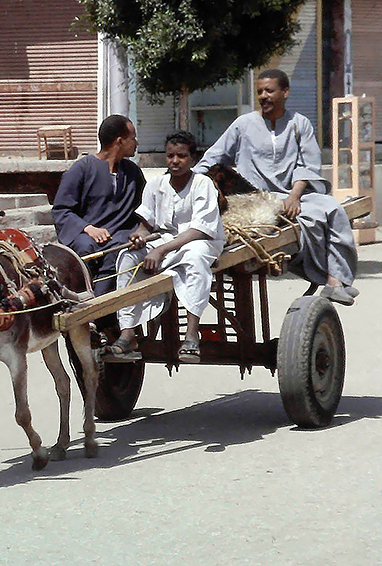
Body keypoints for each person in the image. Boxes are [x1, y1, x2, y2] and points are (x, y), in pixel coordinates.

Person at [194, 68, 358, 305]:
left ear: (285, 92)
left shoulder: (299, 124)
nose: (263, 96)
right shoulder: (243, 124)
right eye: (260, 91)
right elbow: (213, 157)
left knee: (331, 208)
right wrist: (191, 181)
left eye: (269, 91)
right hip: (255, 198)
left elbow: (308, 165)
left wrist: (295, 196)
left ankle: (335, 281)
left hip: (294, 194)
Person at [109, 131, 225, 362]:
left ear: (193, 158)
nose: (175, 161)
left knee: (195, 258)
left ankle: (191, 334)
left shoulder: (202, 184)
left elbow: (200, 229)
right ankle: (128, 332)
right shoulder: (155, 184)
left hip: (199, 241)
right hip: (164, 241)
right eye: (170, 156)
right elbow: (146, 225)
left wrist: (160, 250)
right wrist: (139, 236)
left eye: (181, 156)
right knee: (126, 257)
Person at [52, 114, 146, 297]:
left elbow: (144, 208)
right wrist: (88, 228)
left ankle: (102, 305)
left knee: (120, 249)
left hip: (119, 235)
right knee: (85, 247)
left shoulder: (133, 172)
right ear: (120, 141)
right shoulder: (81, 169)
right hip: (86, 235)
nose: (136, 143)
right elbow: (61, 210)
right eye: (132, 138)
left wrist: (140, 232)